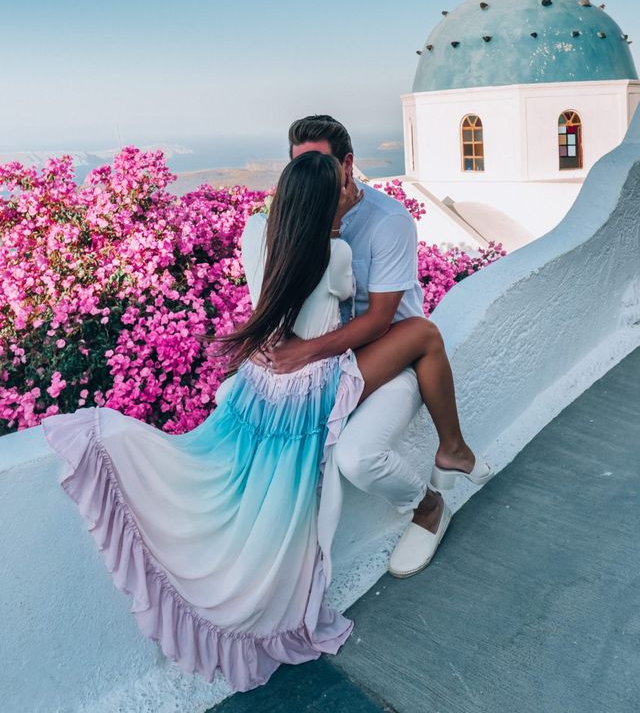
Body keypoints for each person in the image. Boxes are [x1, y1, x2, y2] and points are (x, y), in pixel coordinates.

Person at [41, 148, 487, 693]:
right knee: (424, 334)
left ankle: (454, 452)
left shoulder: (262, 238)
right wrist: (341, 217)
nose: (352, 188)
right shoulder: (339, 250)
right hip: (311, 384)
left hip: (263, 384)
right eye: (342, 187)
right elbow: (350, 303)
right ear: (330, 200)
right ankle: (453, 450)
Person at [259, 115, 494, 579]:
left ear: (347, 166)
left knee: (358, 456)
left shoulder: (388, 222)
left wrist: (301, 353)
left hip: (392, 352)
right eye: (299, 168)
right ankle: (454, 450)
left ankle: (429, 507)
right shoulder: (292, 218)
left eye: (322, 166)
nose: (310, 180)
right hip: (330, 359)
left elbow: (379, 321)